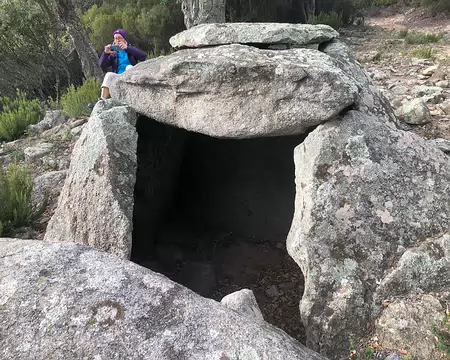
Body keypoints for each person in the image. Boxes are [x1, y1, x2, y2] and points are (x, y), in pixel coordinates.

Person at [97, 29, 147, 101]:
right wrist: (105, 53)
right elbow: (102, 64)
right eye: (115, 38)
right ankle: (102, 100)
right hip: (119, 77)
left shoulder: (130, 50)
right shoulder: (113, 54)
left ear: (124, 39)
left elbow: (143, 56)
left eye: (119, 38)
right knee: (109, 75)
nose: (117, 40)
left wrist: (127, 48)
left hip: (131, 76)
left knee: (129, 67)